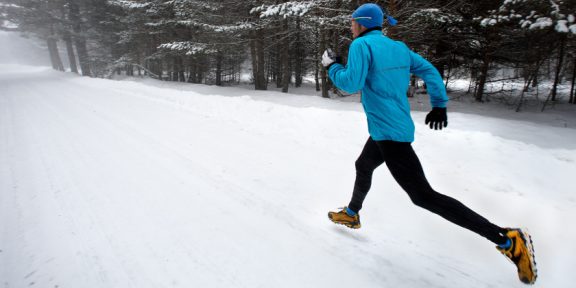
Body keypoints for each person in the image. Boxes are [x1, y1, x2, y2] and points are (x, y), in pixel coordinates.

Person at [322, 3, 537, 285]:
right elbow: (431, 71)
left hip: (389, 135)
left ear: (362, 24)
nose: (350, 27)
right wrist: (439, 104)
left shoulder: (362, 45)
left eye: (352, 22)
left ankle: (507, 240)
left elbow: (350, 84)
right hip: (388, 128)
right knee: (363, 165)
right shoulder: (398, 47)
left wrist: (332, 66)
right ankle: (352, 214)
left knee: (423, 196)